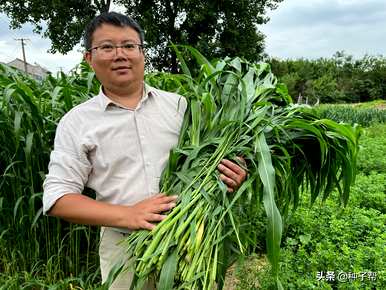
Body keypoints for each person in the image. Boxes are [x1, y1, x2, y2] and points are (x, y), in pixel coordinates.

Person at [43, 11, 247, 290]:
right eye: (106, 47)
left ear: (143, 54)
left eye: (129, 46)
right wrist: (129, 215)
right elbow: (58, 199)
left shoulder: (181, 108)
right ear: (89, 58)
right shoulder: (76, 122)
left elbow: (211, 163)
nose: (120, 55)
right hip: (124, 246)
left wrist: (232, 174)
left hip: (192, 240)